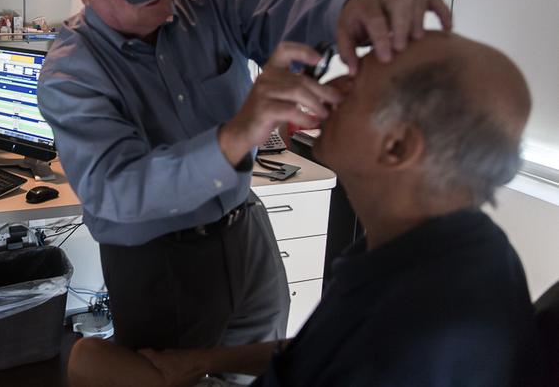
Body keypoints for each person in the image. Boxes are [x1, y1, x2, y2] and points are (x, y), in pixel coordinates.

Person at [37, 0, 452, 360]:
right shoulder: (73, 73)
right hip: (158, 268)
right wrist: (236, 135)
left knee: (261, 368)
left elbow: (287, 8)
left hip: (247, 234)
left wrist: (350, 7)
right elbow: (117, 190)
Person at [66, 32, 545, 387]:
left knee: (89, 361)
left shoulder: (416, 341)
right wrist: (201, 361)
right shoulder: (457, 248)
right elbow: (323, 346)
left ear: (397, 145)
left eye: (355, 86)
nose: (330, 90)